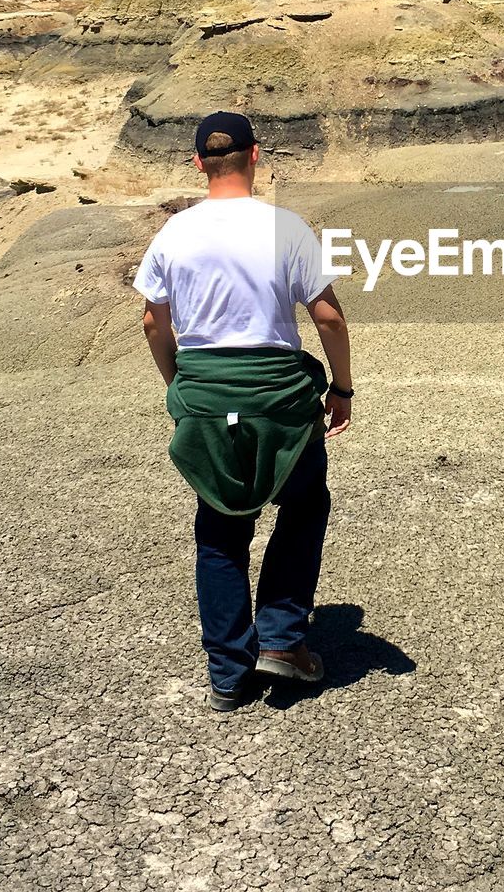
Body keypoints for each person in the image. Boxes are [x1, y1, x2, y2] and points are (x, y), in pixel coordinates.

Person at [133, 111, 354, 710]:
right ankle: (282, 642)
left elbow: (155, 321)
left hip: (206, 395)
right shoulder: (287, 228)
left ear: (200, 163)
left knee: (221, 530)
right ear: (256, 156)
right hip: (280, 395)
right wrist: (342, 388)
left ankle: (228, 676)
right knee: (304, 504)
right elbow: (328, 318)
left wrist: (180, 385)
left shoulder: (174, 233)